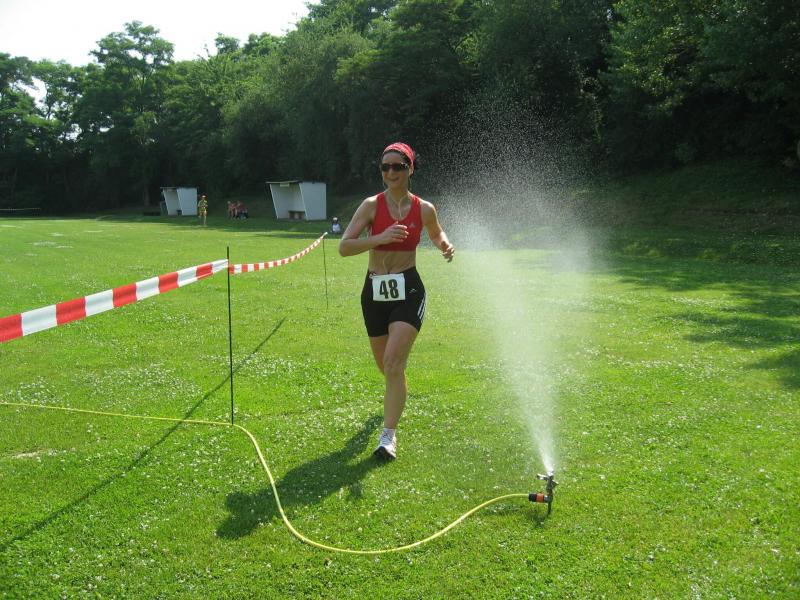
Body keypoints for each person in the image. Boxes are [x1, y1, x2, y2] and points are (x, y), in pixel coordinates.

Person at [339, 142, 455, 459]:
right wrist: (380, 238)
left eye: (397, 166)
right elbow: (344, 247)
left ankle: (388, 437)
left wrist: (445, 245)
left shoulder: (424, 208)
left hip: (409, 289)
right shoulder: (371, 206)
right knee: (388, 368)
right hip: (374, 292)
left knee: (392, 363)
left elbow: (436, 232)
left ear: (410, 169)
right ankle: (396, 393)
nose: (390, 172)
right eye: (385, 167)